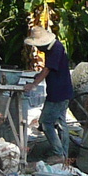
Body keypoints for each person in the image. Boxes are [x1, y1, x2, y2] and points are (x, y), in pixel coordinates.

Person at [27, 25, 73, 163]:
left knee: (46, 123)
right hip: (63, 90)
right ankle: (64, 154)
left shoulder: (55, 49)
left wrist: (34, 84)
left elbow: (47, 69)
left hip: (57, 93)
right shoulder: (54, 47)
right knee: (60, 123)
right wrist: (39, 76)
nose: (38, 49)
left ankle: (58, 153)